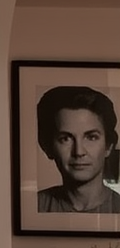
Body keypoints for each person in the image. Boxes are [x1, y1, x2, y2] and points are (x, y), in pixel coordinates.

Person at [36, 85, 120, 213]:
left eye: (91, 137)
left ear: (108, 146)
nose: (79, 152)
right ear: (47, 147)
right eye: (65, 138)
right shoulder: (32, 207)